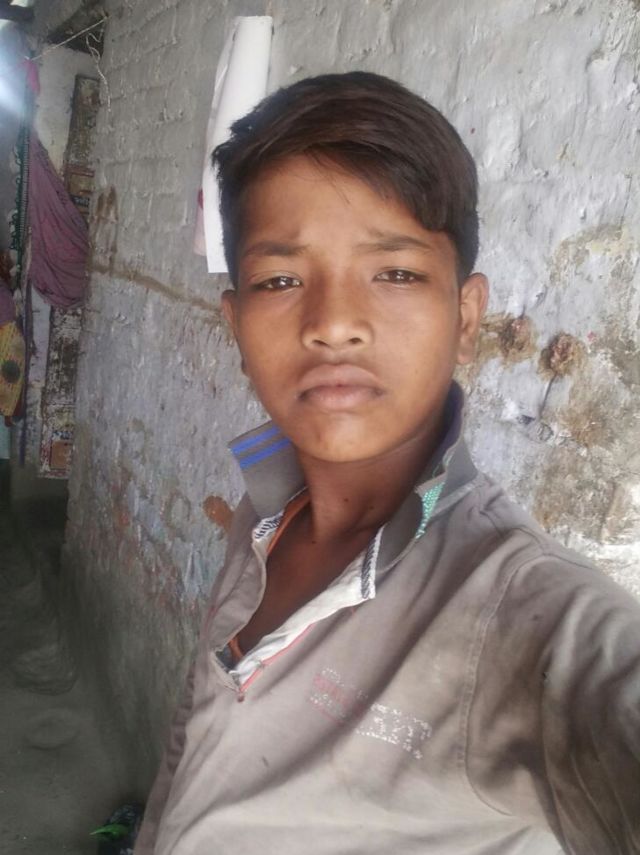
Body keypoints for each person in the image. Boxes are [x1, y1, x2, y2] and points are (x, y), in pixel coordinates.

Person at [134, 72, 640, 855]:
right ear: (235, 324)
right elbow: (196, 736)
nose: (335, 323)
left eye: (396, 272)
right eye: (280, 279)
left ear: (465, 317)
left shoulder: (518, 615)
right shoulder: (265, 512)